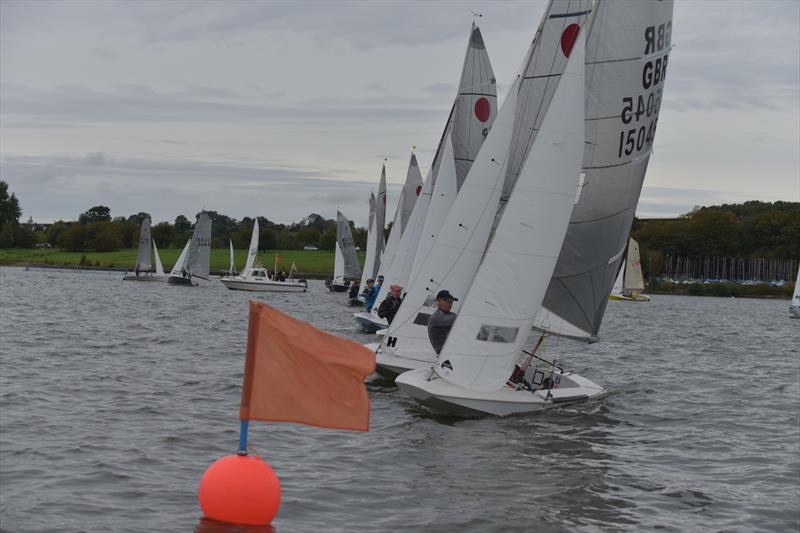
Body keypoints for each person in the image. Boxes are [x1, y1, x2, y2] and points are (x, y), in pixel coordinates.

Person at [427, 290, 458, 355]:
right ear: (439, 301)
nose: (450, 303)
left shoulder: (452, 315)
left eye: (452, 301)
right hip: (444, 352)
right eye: (448, 301)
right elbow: (459, 321)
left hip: (453, 350)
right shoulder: (436, 317)